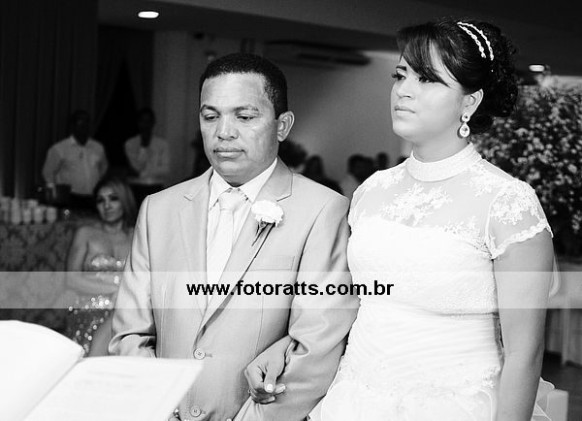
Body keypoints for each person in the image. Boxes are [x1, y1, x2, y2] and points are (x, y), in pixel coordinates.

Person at [246, 19, 555, 420]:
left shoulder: (507, 203)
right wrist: (287, 346)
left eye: (427, 78)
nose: (403, 90)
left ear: (469, 102)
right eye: (401, 75)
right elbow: (351, 304)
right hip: (352, 401)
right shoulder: (372, 191)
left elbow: (524, 354)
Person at [109, 53, 357, 421]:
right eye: (211, 117)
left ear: (282, 125)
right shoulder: (157, 210)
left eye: (245, 116)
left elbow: (316, 345)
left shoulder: (323, 210)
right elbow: (130, 333)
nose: (224, 132)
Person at [65, 176, 136, 356]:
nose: (107, 205)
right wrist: (116, 289)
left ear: (125, 201)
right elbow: (71, 279)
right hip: (90, 310)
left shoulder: (137, 235)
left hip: (127, 310)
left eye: (113, 198)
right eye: (100, 200)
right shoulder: (86, 233)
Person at [42, 109, 108, 207]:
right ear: (72, 126)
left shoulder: (98, 147)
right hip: (70, 197)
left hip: (93, 197)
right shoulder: (59, 148)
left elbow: (103, 167)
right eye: (81, 124)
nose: (84, 127)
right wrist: (55, 196)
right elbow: (48, 173)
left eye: (87, 123)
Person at [124, 107, 170, 204]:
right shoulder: (130, 143)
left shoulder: (162, 144)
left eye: (148, 121)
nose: (145, 125)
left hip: (155, 187)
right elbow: (135, 167)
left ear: (153, 123)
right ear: (138, 123)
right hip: (135, 187)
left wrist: (141, 174)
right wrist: (143, 147)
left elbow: (165, 169)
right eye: (142, 121)